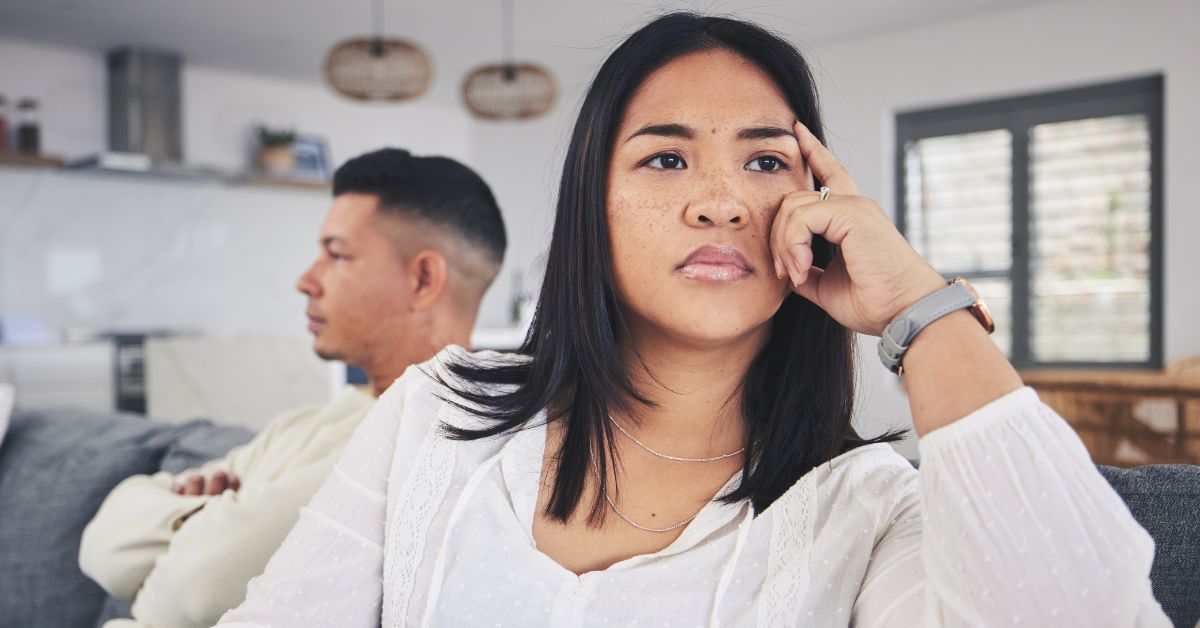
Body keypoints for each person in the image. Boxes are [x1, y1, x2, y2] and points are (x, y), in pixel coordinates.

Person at [219, 14, 1169, 627]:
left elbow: (1084, 609)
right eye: (666, 160)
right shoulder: (440, 412)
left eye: (764, 163)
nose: (719, 202)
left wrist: (923, 308)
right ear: (591, 204)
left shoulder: (867, 509)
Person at [78, 147, 508, 628]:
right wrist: (205, 519)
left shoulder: (430, 440)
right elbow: (100, 545)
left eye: (337, 254)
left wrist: (197, 520)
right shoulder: (304, 423)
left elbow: (191, 590)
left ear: (423, 279)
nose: (306, 280)